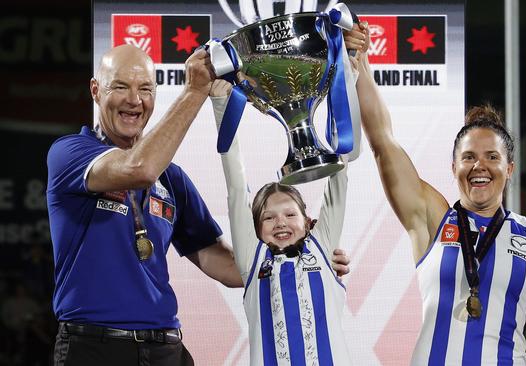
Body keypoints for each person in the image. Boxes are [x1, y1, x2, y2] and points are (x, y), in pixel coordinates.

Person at [46, 44, 350, 365]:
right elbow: (139, 169)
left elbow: (229, 266)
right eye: (120, 87)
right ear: (96, 90)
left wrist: (302, 257)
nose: (134, 100)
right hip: (95, 347)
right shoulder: (70, 153)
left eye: (146, 89)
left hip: (165, 346)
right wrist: (195, 90)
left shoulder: (173, 180)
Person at [345, 24, 526, 365]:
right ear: (453, 167)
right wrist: (360, 62)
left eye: (492, 157)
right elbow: (382, 141)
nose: (480, 166)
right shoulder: (432, 217)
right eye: (468, 157)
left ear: (509, 169)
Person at [209, 73, 357, 364]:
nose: (280, 223)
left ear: (308, 221)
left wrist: (344, 81)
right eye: (269, 218)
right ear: (255, 229)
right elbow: (237, 190)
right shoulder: (253, 259)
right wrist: (220, 106)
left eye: (290, 214)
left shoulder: (323, 248)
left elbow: (339, 177)